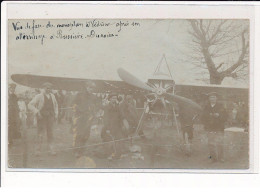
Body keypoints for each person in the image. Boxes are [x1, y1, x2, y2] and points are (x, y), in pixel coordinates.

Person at [72, 81, 101, 158]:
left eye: (92, 88)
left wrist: (95, 111)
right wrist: (78, 113)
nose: (91, 89)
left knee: (86, 135)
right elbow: (74, 104)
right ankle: (76, 151)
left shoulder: (93, 96)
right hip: (80, 118)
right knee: (79, 134)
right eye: (90, 87)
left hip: (89, 118)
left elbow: (97, 105)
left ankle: (82, 150)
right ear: (86, 87)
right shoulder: (79, 95)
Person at [28, 82, 58, 155]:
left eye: (50, 88)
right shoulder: (39, 96)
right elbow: (30, 105)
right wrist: (37, 111)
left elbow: (56, 106)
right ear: (43, 88)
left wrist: (56, 114)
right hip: (42, 117)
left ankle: (51, 150)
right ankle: (38, 150)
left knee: (50, 133)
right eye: (47, 88)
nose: (48, 89)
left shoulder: (53, 96)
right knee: (40, 134)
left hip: (50, 117)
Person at [201, 92, 227, 163]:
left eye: (214, 97)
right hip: (210, 127)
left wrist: (219, 115)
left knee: (220, 142)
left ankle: (221, 157)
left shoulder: (221, 106)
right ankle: (213, 158)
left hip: (219, 127)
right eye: (211, 97)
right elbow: (203, 117)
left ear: (216, 98)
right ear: (209, 99)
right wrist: (208, 116)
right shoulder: (206, 107)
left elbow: (225, 117)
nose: (212, 99)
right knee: (211, 143)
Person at [101, 93, 125, 159]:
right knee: (109, 141)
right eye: (113, 98)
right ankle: (109, 155)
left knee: (119, 140)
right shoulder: (107, 107)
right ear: (110, 99)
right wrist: (107, 128)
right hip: (109, 126)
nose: (114, 99)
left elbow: (121, 116)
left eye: (115, 98)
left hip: (117, 126)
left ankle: (117, 154)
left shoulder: (118, 106)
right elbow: (105, 118)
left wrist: (122, 123)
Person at [8, 83, 20, 148]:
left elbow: (16, 104)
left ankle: (10, 141)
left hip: (13, 113)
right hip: (7, 112)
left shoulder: (15, 96)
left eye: (14, 88)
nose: (13, 89)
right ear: (9, 88)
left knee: (11, 126)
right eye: (11, 88)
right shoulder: (6, 95)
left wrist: (17, 110)